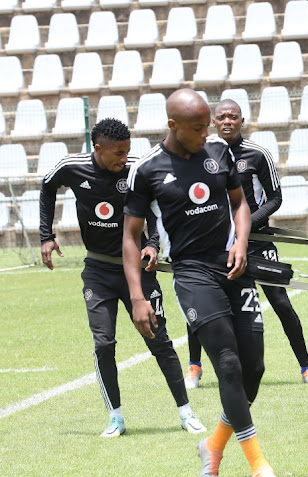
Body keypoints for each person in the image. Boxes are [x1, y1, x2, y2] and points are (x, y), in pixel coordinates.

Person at [123, 89, 281, 477]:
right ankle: (259, 465)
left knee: (253, 370)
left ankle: (213, 445)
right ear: (172, 125)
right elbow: (130, 235)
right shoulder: (147, 169)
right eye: (196, 128)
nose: (204, 133)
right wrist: (138, 297)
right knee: (226, 363)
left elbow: (240, 203)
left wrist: (242, 242)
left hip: (233, 266)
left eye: (205, 125)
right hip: (193, 275)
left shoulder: (218, 154)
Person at [39, 118, 205, 438]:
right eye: (118, 153)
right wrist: (47, 235)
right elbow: (47, 186)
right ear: (97, 149)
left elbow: (155, 208)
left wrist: (153, 244)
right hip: (98, 271)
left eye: (128, 151)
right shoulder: (71, 167)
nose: (124, 158)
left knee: (158, 339)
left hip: (138, 271)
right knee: (104, 344)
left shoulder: (135, 170)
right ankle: (115, 417)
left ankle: (186, 412)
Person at [182, 99, 308, 389]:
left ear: (242, 121)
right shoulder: (201, 154)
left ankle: (306, 368)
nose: (227, 121)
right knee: (202, 301)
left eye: (232, 117)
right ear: (213, 122)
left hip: (258, 241)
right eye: (221, 117)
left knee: (282, 303)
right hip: (217, 245)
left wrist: (245, 227)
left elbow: (275, 198)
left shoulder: (257, 154)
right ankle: (194, 367)